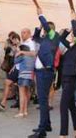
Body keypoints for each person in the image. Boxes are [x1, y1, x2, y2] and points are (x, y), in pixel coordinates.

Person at [29, 7, 60, 138]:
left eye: (46, 28)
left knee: (42, 100)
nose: (44, 29)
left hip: (45, 72)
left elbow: (47, 27)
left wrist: (41, 15)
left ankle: (42, 130)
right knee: (43, 99)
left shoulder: (54, 37)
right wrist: (39, 27)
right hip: (40, 72)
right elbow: (34, 38)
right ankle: (47, 124)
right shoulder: (45, 39)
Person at [58, 11, 76, 138]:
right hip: (64, 77)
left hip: (71, 78)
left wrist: (74, 21)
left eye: (75, 35)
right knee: (70, 105)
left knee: (63, 105)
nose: (73, 36)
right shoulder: (70, 46)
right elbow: (60, 39)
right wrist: (69, 29)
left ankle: (63, 134)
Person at [0, 31, 20, 109]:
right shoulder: (13, 45)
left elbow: (18, 57)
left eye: (14, 39)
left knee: (19, 85)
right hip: (14, 66)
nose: (12, 41)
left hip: (20, 68)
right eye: (12, 39)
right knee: (9, 82)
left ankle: (18, 102)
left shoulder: (21, 46)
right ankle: (4, 102)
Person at [15, 43, 36, 117]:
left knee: (22, 95)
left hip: (23, 76)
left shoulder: (23, 56)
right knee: (27, 94)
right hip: (30, 76)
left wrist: (17, 53)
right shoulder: (33, 57)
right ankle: (25, 111)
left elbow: (15, 61)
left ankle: (21, 112)